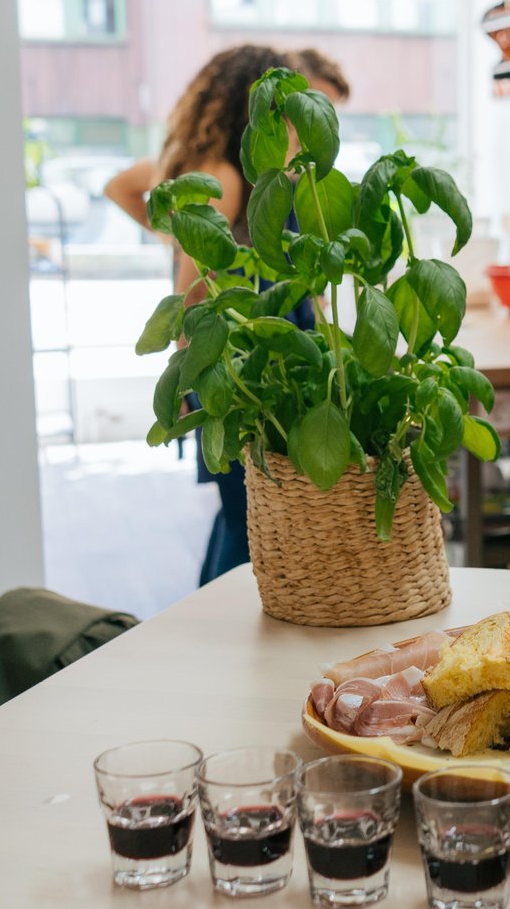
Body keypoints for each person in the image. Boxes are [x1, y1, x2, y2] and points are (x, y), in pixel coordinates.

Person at [105, 45, 337, 585]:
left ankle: (220, 622)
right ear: (253, 101)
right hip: (235, 370)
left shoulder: (259, 167)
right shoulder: (223, 175)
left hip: (270, 355)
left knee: (253, 511)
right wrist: (176, 239)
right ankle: (220, 626)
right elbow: (191, 290)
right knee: (248, 514)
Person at [104, 48, 349, 230]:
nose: (317, 113)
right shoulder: (222, 173)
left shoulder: (300, 164)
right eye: (312, 98)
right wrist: (180, 240)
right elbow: (118, 187)